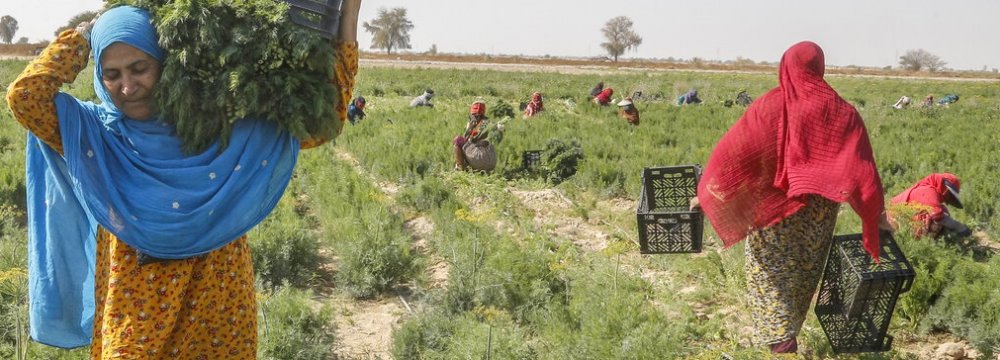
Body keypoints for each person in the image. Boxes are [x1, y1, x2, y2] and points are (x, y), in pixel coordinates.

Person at [5, 2, 361, 357]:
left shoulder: (217, 130)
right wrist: (84, 35)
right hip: (136, 308)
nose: (127, 87)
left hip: (216, 301)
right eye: (111, 74)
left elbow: (324, 120)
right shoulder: (94, 135)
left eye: (140, 68)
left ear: (166, 64)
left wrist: (348, 17)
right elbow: (26, 97)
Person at [690, 41, 892, 354]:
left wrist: (708, 194)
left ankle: (782, 344)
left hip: (775, 211)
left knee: (770, 274)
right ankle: (787, 339)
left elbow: (736, 152)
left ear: (786, 65)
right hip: (819, 215)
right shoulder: (843, 111)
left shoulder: (771, 105)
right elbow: (861, 170)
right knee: (802, 274)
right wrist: (875, 216)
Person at [890, 173, 971, 238]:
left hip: (900, 224)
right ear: (945, 189)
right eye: (950, 195)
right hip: (892, 224)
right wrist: (960, 227)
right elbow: (937, 215)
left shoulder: (928, 190)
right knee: (937, 218)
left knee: (942, 212)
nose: (948, 200)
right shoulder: (928, 190)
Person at [453, 101, 504, 172]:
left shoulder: (476, 124)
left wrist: (470, 128)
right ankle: (467, 166)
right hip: (491, 163)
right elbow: (498, 129)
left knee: (458, 140)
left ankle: (460, 167)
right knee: (468, 145)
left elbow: (466, 141)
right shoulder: (488, 123)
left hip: (479, 160)